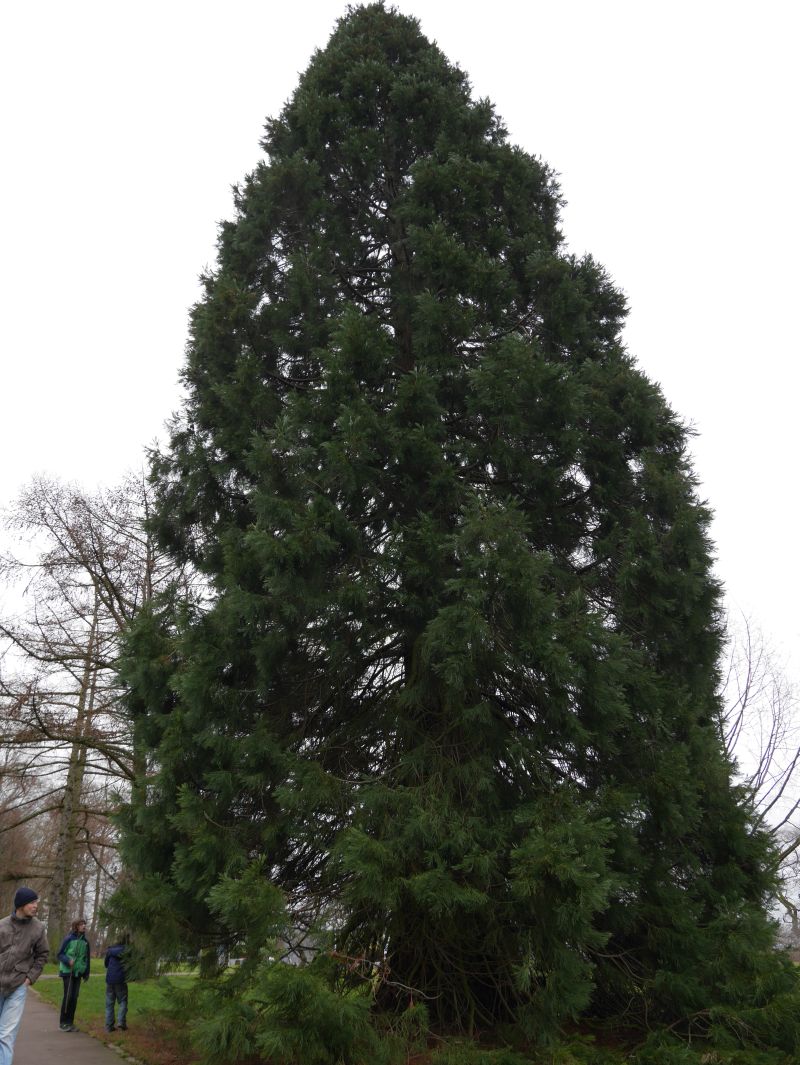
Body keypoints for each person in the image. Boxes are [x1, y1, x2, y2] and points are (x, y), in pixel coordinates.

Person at [0, 886, 49, 1064]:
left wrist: (29, 979)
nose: (36, 905)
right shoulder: (2, 925)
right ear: (21, 904)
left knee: (6, 1035)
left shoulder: (38, 928)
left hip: (18, 987)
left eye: (37, 902)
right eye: (32, 902)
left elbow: (43, 954)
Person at [56, 918, 91, 1032]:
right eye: (81, 924)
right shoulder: (69, 939)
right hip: (68, 971)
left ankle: (70, 1023)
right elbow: (60, 954)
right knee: (68, 996)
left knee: (74, 998)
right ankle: (63, 1023)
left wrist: (86, 973)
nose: (84, 926)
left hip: (78, 972)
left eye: (85, 924)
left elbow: (87, 959)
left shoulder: (86, 942)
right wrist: (68, 960)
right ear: (76, 926)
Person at [103, 935, 129, 1033]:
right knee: (123, 1001)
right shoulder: (127, 951)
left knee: (109, 1003)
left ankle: (109, 1026)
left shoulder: (110, 950)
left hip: (110, 980)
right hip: (121, 980)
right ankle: (121, 1023)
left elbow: (106, 964)